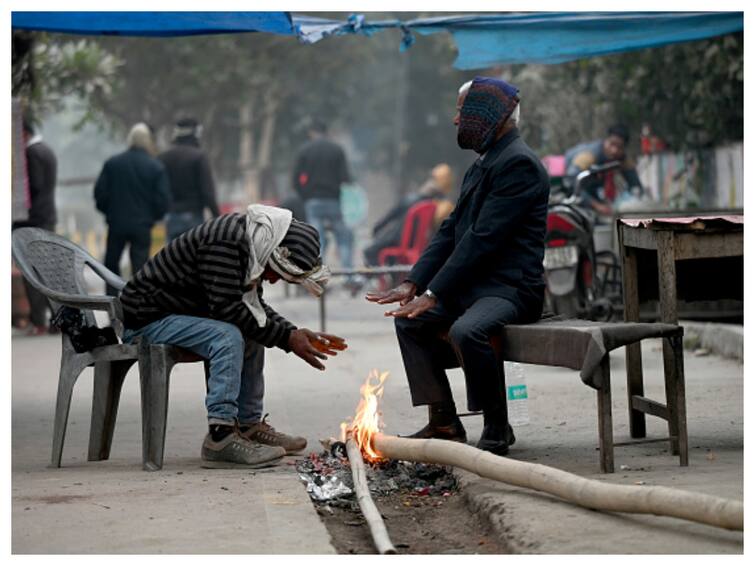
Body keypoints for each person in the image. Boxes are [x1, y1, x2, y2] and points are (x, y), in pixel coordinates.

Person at [366, 77, 550, 457]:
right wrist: (413, 283)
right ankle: (444, 422)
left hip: (511, 289)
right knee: (409, 321)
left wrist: (435, 293)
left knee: (469, 332)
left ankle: (497, 429)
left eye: (461, 111)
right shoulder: (485, 163)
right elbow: (451, 231)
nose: (455, 120)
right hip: (479, 287)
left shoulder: (518, 164)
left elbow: (482, 239)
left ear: (487, 115)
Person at [119, 205, 346, 468]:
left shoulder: (252, 243)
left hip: (176, 315)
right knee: (228, 335)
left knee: (251, 330)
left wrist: (292, 332)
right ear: (273, 251)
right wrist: (287, 339)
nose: (272, 281)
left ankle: (248, 425)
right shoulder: (226, 242)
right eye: (277, 273)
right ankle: (221, 437)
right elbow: (227, 309)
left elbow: (254, 309)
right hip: (147, 319)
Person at [94, 123, 171, 296]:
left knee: (111, 265)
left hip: (117, 224)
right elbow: (163, 200)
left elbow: (100, 194)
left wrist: (109, 213)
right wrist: (152, 217)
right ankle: (136, 304)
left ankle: (112, 302)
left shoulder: (113, 164)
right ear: (148, 141)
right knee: (140, 268)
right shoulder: (155, 167)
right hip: (142, 226)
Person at [12, 114, 58, 335]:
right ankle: (56, 319)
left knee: (32, 273)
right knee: (47, 271)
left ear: (24, 133)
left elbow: (34, 186)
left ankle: (39, 320)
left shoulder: (31, 153)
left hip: (33, 221)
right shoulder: (46, 149)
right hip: (46, 218)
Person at [292, 118, 354, 273]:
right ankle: (348, 275)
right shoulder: (337, 149)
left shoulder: (305, 150)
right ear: (326, 132)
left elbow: (295, 179)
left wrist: (305, 196)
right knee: (343, 237)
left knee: (316, 239)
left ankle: (317, 275)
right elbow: (346, 178)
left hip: (313, 201)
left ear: (312, 132)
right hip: (333, 200)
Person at [363, 163, 455, 267]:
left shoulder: (412, 201)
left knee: (370, 252)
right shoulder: (444, 206)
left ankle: (383, 280)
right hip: (422, 247)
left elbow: (388, 218)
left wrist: (377, 229)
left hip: (399, 241)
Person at [159, 117, 220, 241]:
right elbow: (207, 192)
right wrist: (217, 216)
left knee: (171, 257)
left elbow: (159, 190)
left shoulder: (163, 158)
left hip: (172, 216)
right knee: (193, 257)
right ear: (195, 133)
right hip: (194, 216)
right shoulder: (199, 157)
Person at [563, 124, 643, 216]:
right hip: (576, 193)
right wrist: (596, 205)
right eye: (612, 144)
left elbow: (635, 186)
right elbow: (570, 182)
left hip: (595, 193)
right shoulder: (589, 155)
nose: (614, 150)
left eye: (620, 147)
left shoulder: (622, 159)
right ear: (606, 140)